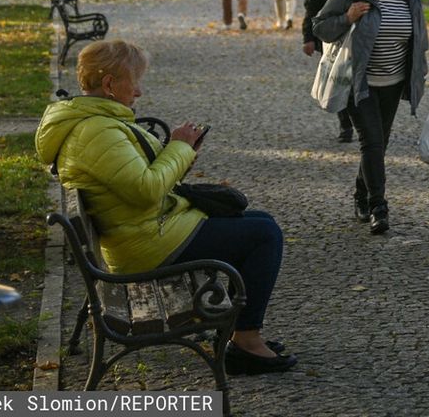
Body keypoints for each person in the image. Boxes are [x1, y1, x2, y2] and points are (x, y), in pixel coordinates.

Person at [36, 39, 296, 375]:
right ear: (110, 85)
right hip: (146, 244)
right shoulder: (96, 133)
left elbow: (140, 183)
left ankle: (239, 331)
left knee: (258, 220)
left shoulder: (95, 122)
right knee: (264, 233)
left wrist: (182, 152)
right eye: (136, 81)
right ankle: (245, 341)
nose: (140, 92)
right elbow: (147, 191)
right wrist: (178, 148)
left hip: (145, 229)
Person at [312, 0, 428, 236]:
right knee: (372, 142)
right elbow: (321, 26)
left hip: (392, 82)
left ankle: (361, 194)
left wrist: (420, 72)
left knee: (379, 145)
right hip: (358, 83)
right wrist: (347, 17)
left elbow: (419, 37)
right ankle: (379, 206)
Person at [302, 0, 364, 143]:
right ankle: (346, 124)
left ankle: (364, 123)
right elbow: (312, 7)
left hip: (362, 35)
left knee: (359, 80)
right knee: (339, 79)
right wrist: (308, 37)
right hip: (332, 36)